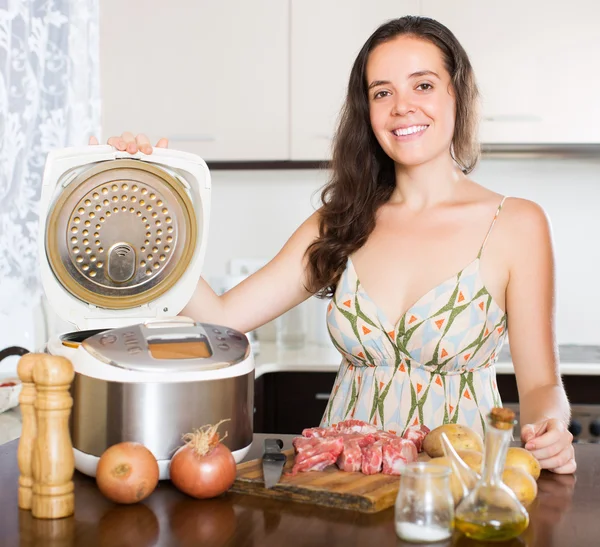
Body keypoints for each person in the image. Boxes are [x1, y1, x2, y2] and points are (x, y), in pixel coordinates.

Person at [95, 15, 575, 474]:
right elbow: (220, 320)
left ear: (458, 94)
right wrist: (146, 195)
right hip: (339, 483)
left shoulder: (515, 223)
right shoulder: (340, 222)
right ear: (367, 111)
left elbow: (540, 386)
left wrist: (549, 425)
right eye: (381, 92)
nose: (402, 106)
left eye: (423, 85)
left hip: (456, 485)